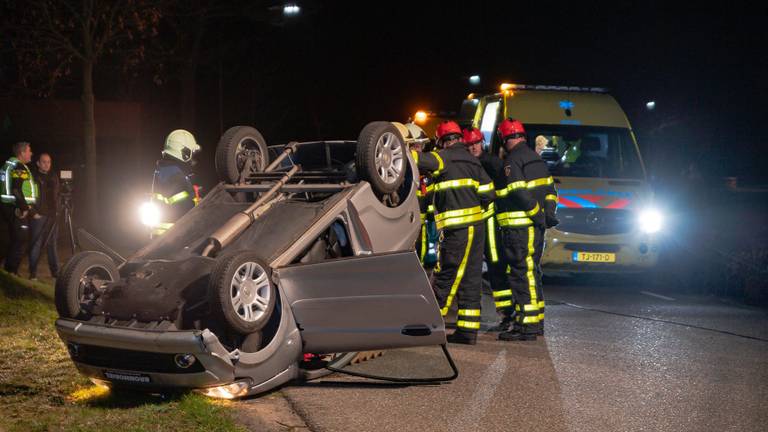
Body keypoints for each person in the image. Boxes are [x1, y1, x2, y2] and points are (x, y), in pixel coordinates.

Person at [413, 121, 494, 345]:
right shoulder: (473, 161)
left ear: (442, 142)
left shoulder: (443, 157)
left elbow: (419, 161)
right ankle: (468, 332)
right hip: (476, 229)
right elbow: (489, 192)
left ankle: (428, 326)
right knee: (471, 278)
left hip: (458, 230)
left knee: (447, 272)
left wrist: (405, 149)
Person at [495, 119, 558, 341]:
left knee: (521, 273)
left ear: (504, 139)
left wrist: (536, 214)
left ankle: (528, 326)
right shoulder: (536, 159)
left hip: (520, 228)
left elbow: (518, 192)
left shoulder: (513, 160)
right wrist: (547, 214)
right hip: (536, 227)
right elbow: (551, 191)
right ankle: (536, 321)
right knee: (533, 272)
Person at [462, 127, 515, 331]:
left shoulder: (492, 163)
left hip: (491, 222)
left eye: (476, 143)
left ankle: (508, 313)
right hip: (477, 221)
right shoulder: (470, 164)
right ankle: (505, 314)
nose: (473, 147)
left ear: (482, 143)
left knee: (496, 265)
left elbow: (504, 191)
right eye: (469, 145)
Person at [150, 129, 202, 236]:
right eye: (192, 153)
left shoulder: (163, 170)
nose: (193, 158)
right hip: (175, 237)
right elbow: (184, 206)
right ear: (184, 153)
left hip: (162, 237)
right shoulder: (175, 175)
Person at [1, 141, 39, 275]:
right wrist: (24, 208)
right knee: (20, 241)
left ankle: (8, 271)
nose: (31, 153)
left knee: (15, 240)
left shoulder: (9, 164)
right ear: (22, 153)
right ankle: (12, 272)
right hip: (15, 209)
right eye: (29, 150)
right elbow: (16, 189)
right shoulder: (19, 166)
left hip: (8, 208)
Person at [28, 153, 60, 280]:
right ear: (38, 163)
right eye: (44, 162)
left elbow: (57, 195)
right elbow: (28, 196)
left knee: (52, 244)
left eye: (49, 162)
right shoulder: (33, 177)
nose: (47, 164)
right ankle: (33, 273)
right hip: (39, 216)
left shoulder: (53, 176)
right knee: (36, 244)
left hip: (53, 216)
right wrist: (33, 212)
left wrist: (57, 211)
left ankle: (55, 272)